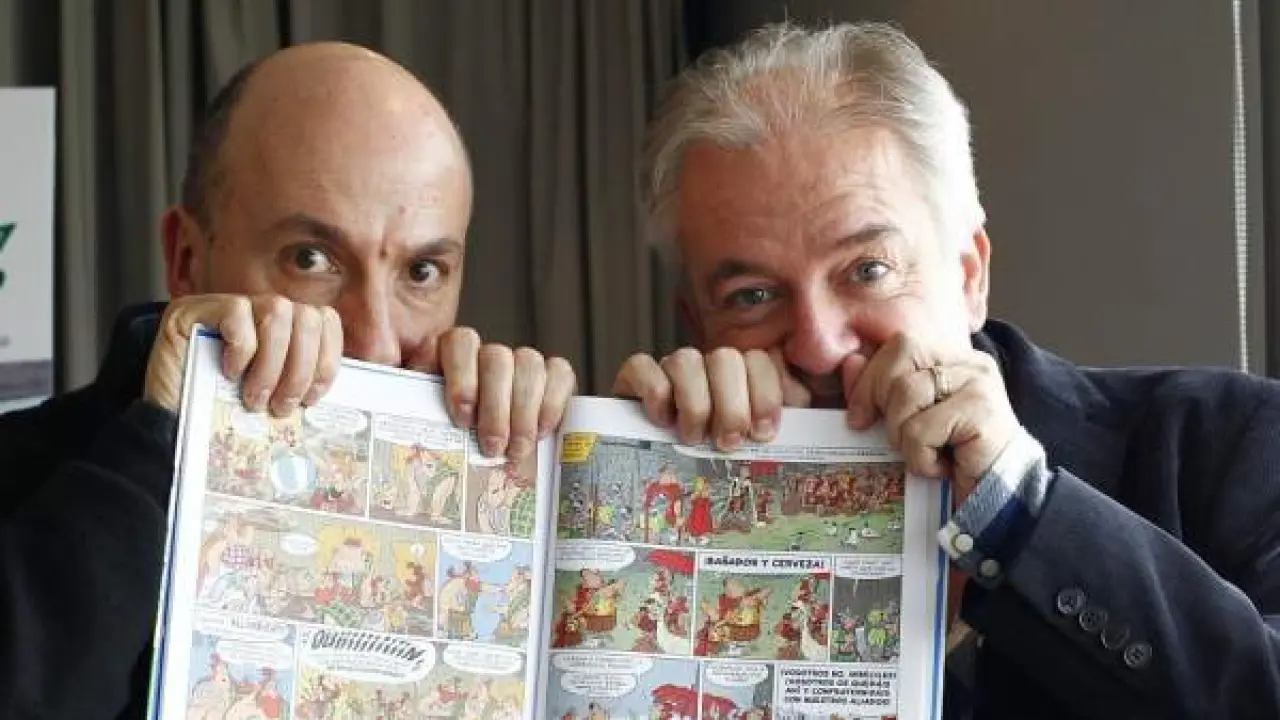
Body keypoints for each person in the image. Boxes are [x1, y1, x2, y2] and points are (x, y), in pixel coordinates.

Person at [614, 21, 1279, 720]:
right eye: (752, 296)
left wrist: (1020, 513)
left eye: (868, 270)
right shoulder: (679, 530)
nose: (818, 345)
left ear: (969, 276)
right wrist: (605, 524)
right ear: (698, 326)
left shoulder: (1234, 443)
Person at [0, 43, 574, 718]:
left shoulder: (487, 504)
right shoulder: (21, 478)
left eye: (422, 273)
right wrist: (158, 444)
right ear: (186, 259)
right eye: (310, 259)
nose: (376, 343)